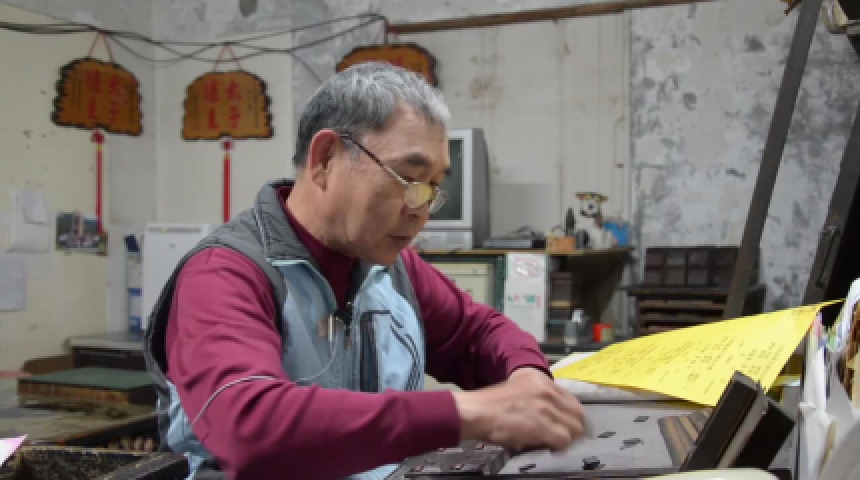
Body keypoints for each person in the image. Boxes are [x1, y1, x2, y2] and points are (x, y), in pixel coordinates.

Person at [143, 61, 586, 480]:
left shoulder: (391, 268)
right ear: (325, 159)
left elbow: (478, 333)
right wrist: (463, 414)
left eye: (433, 188)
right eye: (408, 179)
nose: (421, 211)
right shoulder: (225, 274)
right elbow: (250, 425)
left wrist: (528, 378)